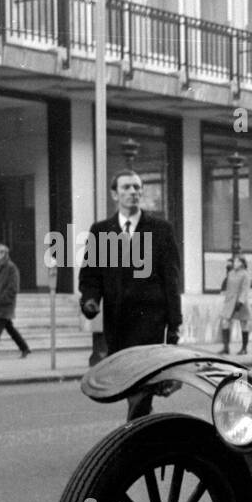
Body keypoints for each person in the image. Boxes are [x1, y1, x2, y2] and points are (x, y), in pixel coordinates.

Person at [78, 169, 183, 419]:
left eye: (137, 187)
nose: (133, 192)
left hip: (151, 320)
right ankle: (143, 427)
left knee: (142, 382)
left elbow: (172, 279)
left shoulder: (161, 229)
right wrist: (90, 300)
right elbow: (90, 274)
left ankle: (134, 435)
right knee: (129, 382)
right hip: (118, 321)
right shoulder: (101, 231)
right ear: (115, 194)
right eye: (126, 188)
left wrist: (174, 322)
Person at [0, 243, 30, 360]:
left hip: (4, 304)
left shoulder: (10, 268)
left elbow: (13, 287)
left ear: (2, 254)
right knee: (9, 328)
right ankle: (24, 348)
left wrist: (3, 299)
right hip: (0, 303)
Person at [219, 255, 252, 355]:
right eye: (234, 262)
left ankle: (244, 348)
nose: (235, 263)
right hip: (230, 301)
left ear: (242, 263)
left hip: (240, 302)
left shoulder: (245, 274)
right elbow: (227, 286)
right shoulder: (230, 273)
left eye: (237, 262)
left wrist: (241, 301)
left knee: (244, 324)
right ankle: (226, 347)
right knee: (225, 322)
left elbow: (245, 289)